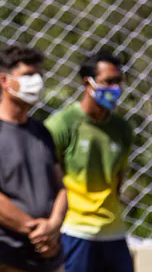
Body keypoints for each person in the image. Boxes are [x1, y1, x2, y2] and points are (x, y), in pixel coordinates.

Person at [0, 45, 66, 272]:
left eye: (38, 75)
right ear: (4, 80)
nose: (36, 81)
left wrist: (54, 227)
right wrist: (36, 232)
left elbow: (61, 188)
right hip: (4, 257)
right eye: (27, 75)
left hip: (50, 257)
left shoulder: (42, 131)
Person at [44, 50, 134, 272]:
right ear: (88, 82)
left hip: (113, 230)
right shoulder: (62, 124)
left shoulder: (122, 129)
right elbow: (48, 178)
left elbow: (118, 179)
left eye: (118, 82)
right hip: (74, 230)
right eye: (108, 82)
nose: (115, 88)